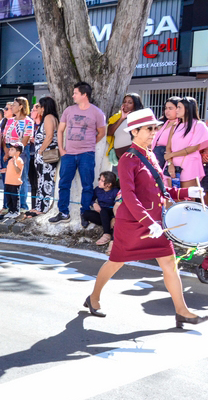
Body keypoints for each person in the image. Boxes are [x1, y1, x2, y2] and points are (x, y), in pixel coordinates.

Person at [85, 108, 207, 327]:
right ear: (135, 131)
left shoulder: (150, 155)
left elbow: (160, 191)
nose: (154, 132)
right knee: (116, 262)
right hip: (133, 223)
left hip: (156, 223)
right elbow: (130, 196)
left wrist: (188, 193)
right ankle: (93, 298)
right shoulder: (127, 159)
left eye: (155, 128)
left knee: (169, 264)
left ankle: (181, 310)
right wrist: (148, 222)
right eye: (149, 129)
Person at [50, 82, 106, 225]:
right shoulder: (69, 110)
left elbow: (102, 132)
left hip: (86, 154)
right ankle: (63, 212)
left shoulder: (97, 112)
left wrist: (90, 143)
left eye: (75, 93)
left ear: (84, 94)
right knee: (64, 183)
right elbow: (60, 130)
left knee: (87, 185)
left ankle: (85, 213)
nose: (73, 95)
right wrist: (61, 149)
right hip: (68, 154)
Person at [163, 97, 208, 189]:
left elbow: (193, 148)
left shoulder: (199, 125)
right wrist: (170, 163)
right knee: (171, 198)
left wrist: (171, 155)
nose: (177, 110)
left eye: (179, 107)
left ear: (187, 109)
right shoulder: (175, 125)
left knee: (188, 198)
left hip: (190, 165)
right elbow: (168, 147)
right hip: (172, 165)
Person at [29, 96, 60, 216]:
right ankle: (39, 206)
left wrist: (41, 150)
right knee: (41, 181)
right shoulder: (49, 117)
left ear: (44, 107)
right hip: (44, 155)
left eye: (40, 106)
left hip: (46, 155)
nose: (38, 109)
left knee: (46, 181)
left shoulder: (48, 118)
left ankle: (43, 208)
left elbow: (49, 136)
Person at [82, 171, 119, 246]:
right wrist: (94, 204)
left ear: (109, 184)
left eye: (102, 181)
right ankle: (107, 226)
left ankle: (107, 234)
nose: (99, 181)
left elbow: (119, 206)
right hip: (102, 214)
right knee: (86, 213)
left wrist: (114, 217)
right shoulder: (98, 190)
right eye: (100, 179)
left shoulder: (116, 192)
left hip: (110, 212)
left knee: (104, 211)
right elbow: (90, 199)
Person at [106, 93, 143, 160]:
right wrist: (122, 118)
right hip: (121, 158)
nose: (126, 104)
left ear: (135, 105)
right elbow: (109, 132)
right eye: (125, 102)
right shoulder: (119, 117)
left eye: (130, 102)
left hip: (133, 155)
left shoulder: (138, 119)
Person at [151, 96, 181, 169]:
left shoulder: (180, 125)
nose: (167, 111)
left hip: (168, 155)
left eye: (170, 108)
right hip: (155, 152)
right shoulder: (163, 123)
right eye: (166, 108)